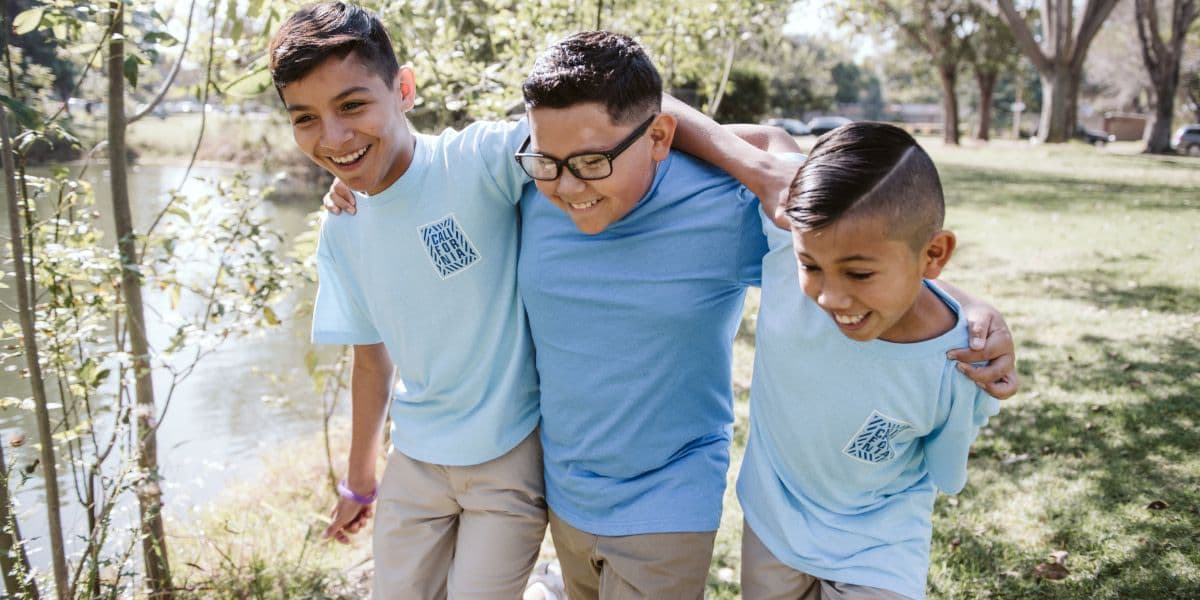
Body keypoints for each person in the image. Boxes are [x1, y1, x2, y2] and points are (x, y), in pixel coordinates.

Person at [513, 33, 1016, 599]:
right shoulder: (527, 167)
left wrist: (964, 304)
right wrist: (753, 161)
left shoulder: (737, 211)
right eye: (550, 164)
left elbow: (862, 242)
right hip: (583, 489)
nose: (567, 182)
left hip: (691, 496)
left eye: (592, 161)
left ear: (656, 139)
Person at [268, 4, 545, 598]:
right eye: (306, 118)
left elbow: (601, 123)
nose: (334, 137)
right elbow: (372, 361)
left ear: (404, 89)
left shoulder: (476, 162)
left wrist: (752, 159)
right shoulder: (342, 228)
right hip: (415, 460)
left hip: (508, 458)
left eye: (352, 105)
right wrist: (360, 483)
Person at [737, 122, 1001, 600]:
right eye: (811, 266)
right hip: (773, 526)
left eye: (859, 273)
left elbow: (945, 467)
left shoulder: (962, 361)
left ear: (934, 254)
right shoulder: (789, 235)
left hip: (881, 544)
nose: (831, 296)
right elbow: (764, 139)